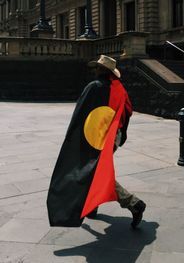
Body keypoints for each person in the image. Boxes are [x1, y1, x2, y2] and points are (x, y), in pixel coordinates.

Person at [47, 55, 146, 229]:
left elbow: (81, 114)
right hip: (113, 137)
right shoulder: (119, 89)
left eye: (97, 68)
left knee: (93, 172)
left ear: (102, 70)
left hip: (94, 137)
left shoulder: (94, 87)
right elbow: (128, 111)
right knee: (95, 168)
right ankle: (92, 206)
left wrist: (72, 137)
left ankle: (133, 203)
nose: (95, 70)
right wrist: (120, 134)